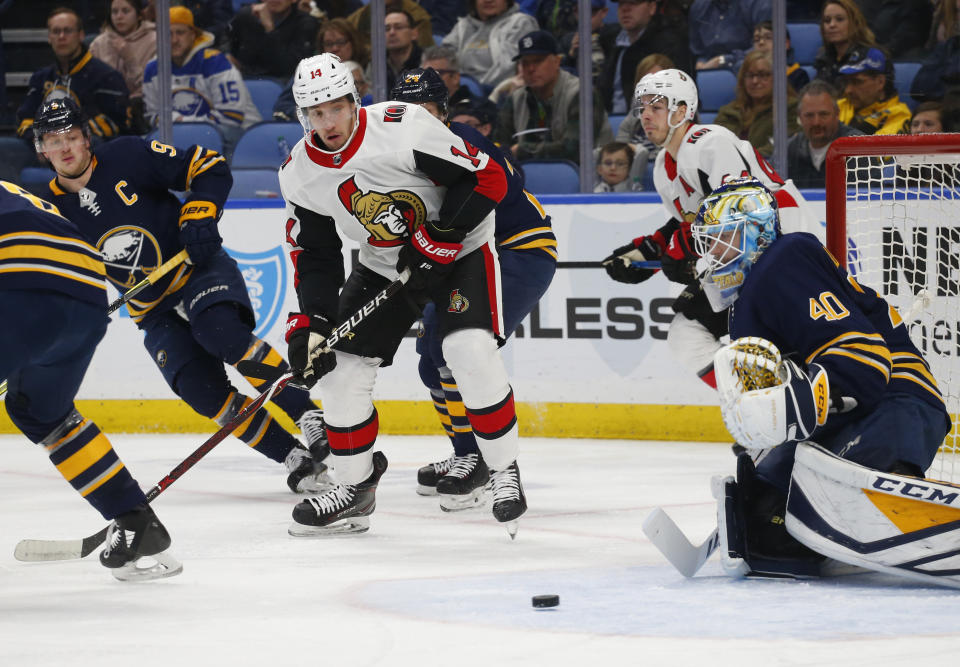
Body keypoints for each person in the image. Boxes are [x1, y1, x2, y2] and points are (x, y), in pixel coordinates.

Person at [278, 53, 527, 535]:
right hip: (385, 263)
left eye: (334, 107)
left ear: (353, 100)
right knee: (341, 372)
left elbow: (488, 178)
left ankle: (502, 469)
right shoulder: (299, 173)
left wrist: (442, 234)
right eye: (315, 113)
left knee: (465, 349)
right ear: (302, 116)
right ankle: (355, 487)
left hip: (462, 251)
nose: (327, 122)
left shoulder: (404, 125)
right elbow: (315, 254)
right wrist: (313, 323)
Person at [33, 98, 329, 497]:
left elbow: (208, 167)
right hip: (151, 310)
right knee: (201, 391)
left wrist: (199, 213)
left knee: (221, 333)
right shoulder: (47, 213)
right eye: (54, 141)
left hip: (196, 269)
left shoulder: (129, 155)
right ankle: (293, 457)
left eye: (71, 137)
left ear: (87, 139)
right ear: (41, 150)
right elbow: (54, 278)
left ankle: (305, 412)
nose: (65, 148)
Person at [690, 177, 950, 580]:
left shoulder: (784, 259)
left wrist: (805, 401)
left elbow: (864, 361)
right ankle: (865, 509)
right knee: (763, 525)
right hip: (855, 412)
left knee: (793, 512)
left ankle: (896, 492)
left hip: (897, 402)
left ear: (755, 231)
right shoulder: (745, 306)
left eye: (722, 237)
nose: (712, 254)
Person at [390, 67, 557, 509]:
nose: (416, 119)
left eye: (424, 109)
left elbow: (467, 213)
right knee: (430, 362)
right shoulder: (401, 154)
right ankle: (470, 454)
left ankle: (485, 463)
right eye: (406, 111)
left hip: (517, 252)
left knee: (461, 351)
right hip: (465, 258)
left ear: (443, 112)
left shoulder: (465, 144)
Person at [0, 180, 180, 582]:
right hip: (86, 292)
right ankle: (135, 522)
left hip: (20, 281)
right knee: (42, 413)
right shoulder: (11, 189)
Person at [601, 69, 815, 388]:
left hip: (788, 252)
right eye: (642, 108)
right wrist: (645, 250)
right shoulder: (662, 166)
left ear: (684, 111)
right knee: (687, 336)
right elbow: (689, 221)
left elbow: (744, 209)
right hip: (744, 263)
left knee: (777, 346)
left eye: (656, 107)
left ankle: (788, 413)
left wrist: (679, 247)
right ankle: (762, 407)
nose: (645, 116)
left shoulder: (710, 142)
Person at [143, 7, 261, 151]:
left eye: (180, 33)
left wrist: (183, 122)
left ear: (193, 35)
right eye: (168, 34)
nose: (174, 40)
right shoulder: (153, 69)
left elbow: (231, 117)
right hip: (188, 136)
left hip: (239, 135)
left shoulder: (215, 62)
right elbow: (153, 115)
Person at [494, 30, 613, 164]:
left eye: (538, 61)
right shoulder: (516, 99)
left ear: (557, 61)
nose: (531, 68)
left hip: (587, 177)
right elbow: (498, 145)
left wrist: (522, 151)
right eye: (525, 63)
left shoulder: (582, 94)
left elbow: (575, 150)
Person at [16, 7, 129, 143]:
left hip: (90, 151)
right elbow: (25, 119)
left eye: (68, 31)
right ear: (49, 38)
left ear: (81, 35)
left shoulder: (106, 76)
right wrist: (39, 141)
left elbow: (116, 123)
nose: (61, 36)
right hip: (47, 148)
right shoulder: (40, 78)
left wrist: (65, 139)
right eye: (56, 31)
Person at [597, 0, 692, 115]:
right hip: (610, 122)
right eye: (621, 4)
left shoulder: (670, 44)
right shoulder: (612, 42)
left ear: (651, 7)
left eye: (633, 3)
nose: (625, 9)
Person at [715, 50, 799, 157]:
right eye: (750, 75)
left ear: (776, 78)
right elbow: (717, 144)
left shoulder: (789, 108)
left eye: (762, 75)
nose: (755, 81)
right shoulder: (729, 112)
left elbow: (784, 145)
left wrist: (745, 158)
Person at [442, 0, 538, 91]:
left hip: (496, 92)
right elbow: (443, 60)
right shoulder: (463, 26)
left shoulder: (520, 23)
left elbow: (508, 68)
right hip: (459, 89)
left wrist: (480, 88)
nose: (488, 0)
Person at [787, 80, 863, 189]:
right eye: (809, 115)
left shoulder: (858, 147)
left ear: (837, 113)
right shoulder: (790, 149)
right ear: (799, 116)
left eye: (823, 114)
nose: (816, 122)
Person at [225, 0, 320, 81]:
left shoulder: (306, 23)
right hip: (246, 79)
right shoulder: (246, 16)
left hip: (285, 83)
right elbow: (230, 48)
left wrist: (270, 29)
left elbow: (290, 68)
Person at [89, 0, 157, 102]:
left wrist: (129, 59)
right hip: (106, 106)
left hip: (142, 106)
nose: (119, 17)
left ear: (139, 15)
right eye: (114, 12)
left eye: (125, 11)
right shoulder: (98, 44)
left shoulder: (155, 41)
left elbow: (152, 87)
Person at [836, 47, 911, 136]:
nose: (848, 90)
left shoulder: (899, 115)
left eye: (857, 82)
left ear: (880, 82)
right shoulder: (837, 106)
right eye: (846, 82)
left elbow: (870, 149)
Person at [688, 0, 770, 72]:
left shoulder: (758, 4)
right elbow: (698, 49)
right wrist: (701, 62)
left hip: (747, 65)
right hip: (709, 69)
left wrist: (724, 60)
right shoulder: (698, 6)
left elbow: (766, 47)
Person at [813, 0, 877, 89]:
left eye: (839, 19)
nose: (832, 25)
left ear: (855, 23)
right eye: (827, 20)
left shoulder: (871, 57)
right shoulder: (823, 57)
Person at [750, 20, 809, 92]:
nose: (761, 42)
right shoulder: (750, 77)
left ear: (786, 44)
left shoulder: (798, 76)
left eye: (768, 37)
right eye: (757, 39)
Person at [385, 10, 422, 93]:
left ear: (414, 33)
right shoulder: (376, 64)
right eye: (387, 29)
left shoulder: (425, 62)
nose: (392, 32)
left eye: (398, 27)